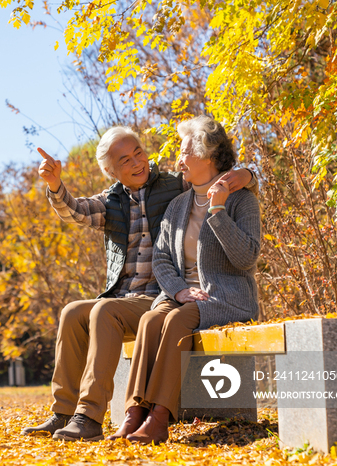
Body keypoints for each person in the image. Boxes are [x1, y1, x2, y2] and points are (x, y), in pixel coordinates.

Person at [21, 125, 257, 442]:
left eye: (139, 153)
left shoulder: (175, 185)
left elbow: (221, 175)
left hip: (164, 295)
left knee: (107, 312)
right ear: (112, 172)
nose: (137, 163)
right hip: (145, 296)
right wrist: (54, 185)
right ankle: (65, 412)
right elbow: (76, 211)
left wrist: (247, 176)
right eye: (125, 161)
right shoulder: (115, 201)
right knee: (73, 312)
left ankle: (93, 417)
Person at [111, 115, 261, 444]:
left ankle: (160, 417)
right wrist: (178, 290)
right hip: (184, 297)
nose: (178, 160)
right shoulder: (179, 205)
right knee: (152, 320)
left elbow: (246, 257)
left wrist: (218, 212)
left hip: (225, 297)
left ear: (207, 154)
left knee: (177, 321)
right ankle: (133, 413)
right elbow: (162, 257)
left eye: (184, 151)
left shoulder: (241, 200)